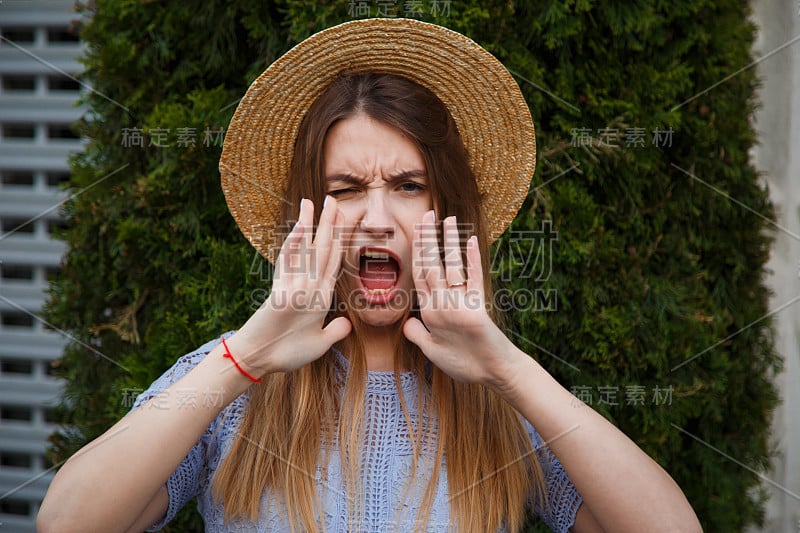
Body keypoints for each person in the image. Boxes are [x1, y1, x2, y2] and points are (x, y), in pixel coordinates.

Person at [37, 18, 701, 533]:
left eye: (409, 184)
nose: (377, 218)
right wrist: (246, 356)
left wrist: (509, 368)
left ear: (445, 209)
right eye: (346, 187)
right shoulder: (234, 381)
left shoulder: (499, 398)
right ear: (309, 213)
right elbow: (65, 521)